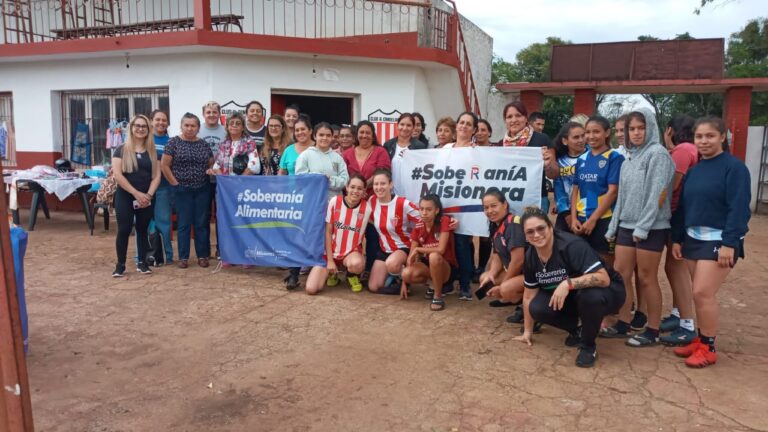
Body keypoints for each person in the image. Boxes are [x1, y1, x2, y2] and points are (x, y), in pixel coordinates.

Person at [670, 116, 751, 368]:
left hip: (720, 240)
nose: (704, 141)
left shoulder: (735, 168)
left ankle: (709, 348)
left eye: (710, 136)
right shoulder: (695, 171)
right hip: (693, 238)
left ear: (722, 137)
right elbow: (683, 207)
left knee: (702, 292)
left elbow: (739, 208)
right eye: (699, 137)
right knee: (700, 294)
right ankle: (700, 340)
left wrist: (730, 242)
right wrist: (677, 238)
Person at [515, 207, 626, 368]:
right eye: (530, 232)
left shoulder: (571, 245)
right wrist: (527, 332)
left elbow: (603, 279)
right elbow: (528, 296)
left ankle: (588, 346)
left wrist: (568, 284)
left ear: (550, 227)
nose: (536, 235)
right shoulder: (531, 256)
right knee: (537, 307)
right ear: (525, 236)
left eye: (541, 228)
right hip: (575, 295)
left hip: (609, 291)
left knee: (590, 296)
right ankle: (578, 329)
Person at [603, 108, 675, 346]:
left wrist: (642, 228)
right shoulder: (629, 159)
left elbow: (658, 195)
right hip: (626, 225)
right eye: (631, 129)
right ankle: (624, 322)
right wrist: (614, 226)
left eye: (641, 128)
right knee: (621, 274)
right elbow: (621, 198)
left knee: (646, 278)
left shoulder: (658, 155)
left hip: (652, 228)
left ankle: (652, 330)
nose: (635, 133)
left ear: (651, 128)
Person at [659, 114, 699, 345]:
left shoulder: (683, 150)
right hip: (678, 214)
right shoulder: (685, 149)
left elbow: (672, 183)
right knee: (673, 267)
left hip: (677, 214)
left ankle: (687, 323)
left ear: (670, 129)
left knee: (676, 267)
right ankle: (678, 314)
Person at [161, 113, 214, 269]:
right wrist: (175, 184)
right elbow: (164, 166)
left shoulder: (204, 144)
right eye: (187, 125)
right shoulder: (173, 143)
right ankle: (183, 257)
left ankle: (202, 256)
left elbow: (211, 163)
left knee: (201, 223)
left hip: (202, 189)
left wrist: (210, 171)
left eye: (193, 126)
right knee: (184, 224)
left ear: (198, 127)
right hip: (182, 189)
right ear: (181, 126)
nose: (190, 128)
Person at [111, 115, 162, 277]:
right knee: (124, 229)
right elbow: (118, 175)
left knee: (142, 229)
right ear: (131, 127)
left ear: (148, 130)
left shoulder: (153, 152)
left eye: (144, 126)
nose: (140, 129)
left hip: (146, 198)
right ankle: (120, 265)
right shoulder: (121, 149)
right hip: (125, 196)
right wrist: (136, 193)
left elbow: (156, 177)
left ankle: (142, 262)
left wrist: (147, 195)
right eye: (137, 126)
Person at [570, 116, 624, 265]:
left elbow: (613, 191)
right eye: (587, 132)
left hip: (604, 220)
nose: (591, 136)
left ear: (607, 133)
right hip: (581, 220)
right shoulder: (582, 159)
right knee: (581, 264)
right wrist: (574, 218)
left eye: (596, 132)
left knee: (606, 265)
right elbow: (575, 190)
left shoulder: (614, 157)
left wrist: (593, 220)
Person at [305, 175, 370, 295]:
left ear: (364, 191)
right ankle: (332, 273)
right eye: (353, 187)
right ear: (346, 187)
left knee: (357, 264)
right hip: (331, 252)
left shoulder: (368, 208)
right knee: (311, 289)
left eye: (360, 188)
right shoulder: (335, 201)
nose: (355, 191)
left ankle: (351, 276)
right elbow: (328, 231)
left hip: (351, 252)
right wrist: (330, 260)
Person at [342, 120, 391, 279]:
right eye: (361, 132)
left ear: (373, 135)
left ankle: (369, 268)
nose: (364, 135)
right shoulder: (347, 153)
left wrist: (363, 186)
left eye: (367, 132)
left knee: (372, 236)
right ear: (357, 134)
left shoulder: (380, 151)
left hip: (373, 199)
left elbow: (383, 171)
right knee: (351, 234)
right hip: (353, 201)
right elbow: (344, 176)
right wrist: (355, 190)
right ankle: (350, 268)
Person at [367, 169, 422, 294]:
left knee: (392, 263)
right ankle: (394, 277)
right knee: (373, 287)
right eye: (376, 184)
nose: (379, 187)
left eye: (383, 183)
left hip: (402, 248)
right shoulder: (372, 201)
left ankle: (404, 278)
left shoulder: (403, 203)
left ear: (391, 184)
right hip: (384, 249)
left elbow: (423, 219)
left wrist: (416, 245)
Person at [442, 112, 478, 300]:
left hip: (466, 204)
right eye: (461, 122)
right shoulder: (446, 147)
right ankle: (447, 281)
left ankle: (465, 285)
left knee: (462, 244)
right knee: (445, 243)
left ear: (473, 129)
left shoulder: (476, 151)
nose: (463, 126)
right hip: (446, 203)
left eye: (468, 124)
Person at [499, 101, 557, 212]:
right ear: (505, 121)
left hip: (536, 199)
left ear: (526, 118)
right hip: (509, 199)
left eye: (518, 115)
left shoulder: (542, 139)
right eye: (509, 117)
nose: (514, 120)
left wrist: (548, 165)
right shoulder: (501, 144)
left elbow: (554, 174)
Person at [478, 188, 527, 320]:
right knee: (485, 278)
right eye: (486, 207)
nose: (489, 211)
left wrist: (501, 286)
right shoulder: (497, 225)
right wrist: (492, 275)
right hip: (519, 272)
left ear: (504, 205)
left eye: (494, 206)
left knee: (505, 288)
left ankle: (525, 307)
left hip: (532, 274)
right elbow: (497, 254)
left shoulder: (512, 224)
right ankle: (511, 298)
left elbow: (518, 261)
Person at [402, 194, 457, 311]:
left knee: (434, 256)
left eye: (428, 209)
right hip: (429, 266)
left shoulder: (444, 221)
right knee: (406, 273)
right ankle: (432, 285)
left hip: (446, 268)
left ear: (436, 210)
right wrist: (404, 283)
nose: (424, 213)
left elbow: (441, 249)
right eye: (421, 209)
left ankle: (438, 296)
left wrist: (419, 249)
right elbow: (410, 258)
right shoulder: (418, 225)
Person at [280, 115, 314, 289]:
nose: (300, 132)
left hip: (314, 200)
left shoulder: (318, 148)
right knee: (295, 235)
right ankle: (293, 274)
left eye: (303, 129)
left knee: (311, 235)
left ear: (310, 131)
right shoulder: (288, 150)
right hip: (293, 199)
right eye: (297, 130)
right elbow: (282, 175)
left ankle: (315, 269)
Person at [296, 122, 349, 199]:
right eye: (321, 135)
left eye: (328, 135)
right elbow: (300, 179)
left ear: (332, 137)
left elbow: (345, 181)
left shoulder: (338, 158)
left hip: (334, 203)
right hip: (312, 201)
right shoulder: (305, 156)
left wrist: (329, 180)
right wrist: (318, 177)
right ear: (314, 136)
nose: (324, 138)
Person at [552, 122, 586, 232]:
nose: (581, 140)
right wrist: (566, 214)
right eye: (576, 137)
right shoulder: (560, 161)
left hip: (587, 212)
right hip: (566, 212)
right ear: (565, 141)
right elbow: (558, 188)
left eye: (583, 135)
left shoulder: (593, 157)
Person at [150, 109, 174, 264]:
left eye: (164, 120)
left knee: (164, 222)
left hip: (164, 188)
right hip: (143, 188)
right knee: (144, 223)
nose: (161, 123)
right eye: (157, 119)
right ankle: (146, 255)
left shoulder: (171, 142)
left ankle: (167, 257)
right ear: (151, 121)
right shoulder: (145, 140)